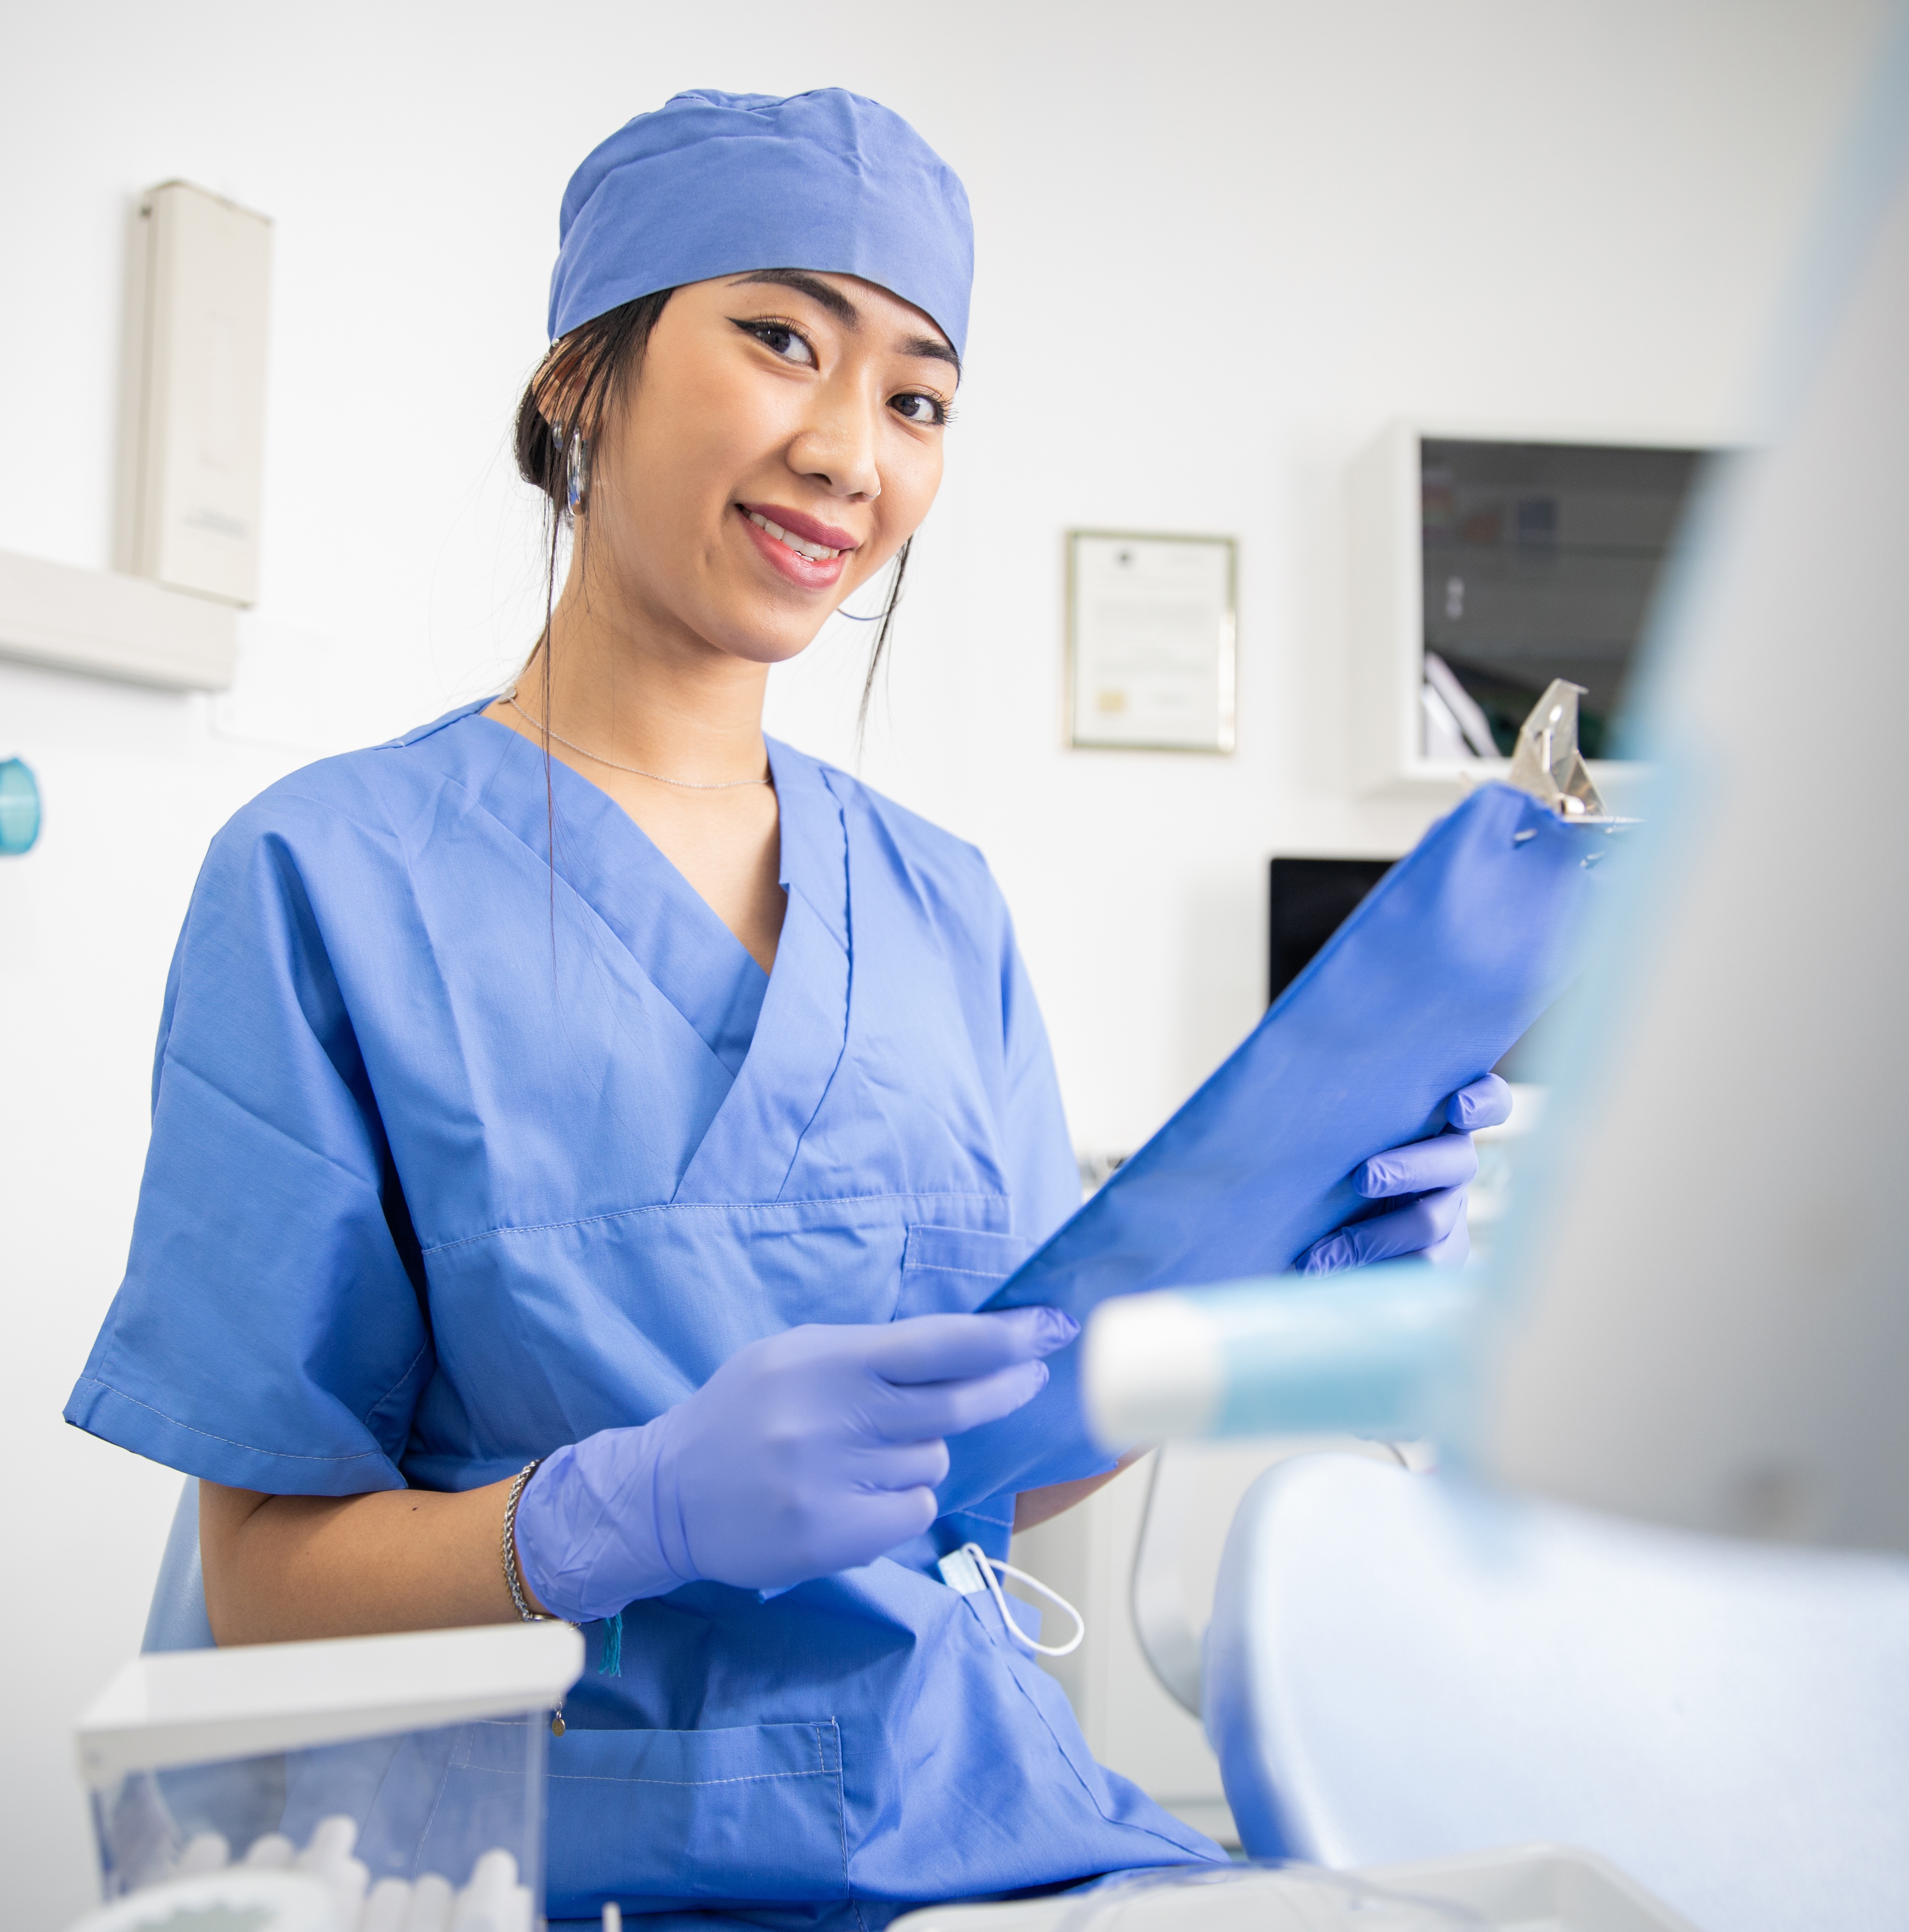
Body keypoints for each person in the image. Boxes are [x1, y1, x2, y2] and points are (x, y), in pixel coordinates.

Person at [66, 89, 1504, 1929]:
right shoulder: (328, 879)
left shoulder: (938, 904)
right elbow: (260, 1579)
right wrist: (619, 1511)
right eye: (777, 339)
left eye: (916, 398)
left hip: (976, 1818)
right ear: (581, 376)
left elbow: (1005, 1465)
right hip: (551, 1847)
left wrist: (1257, 1301)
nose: (850, 452)